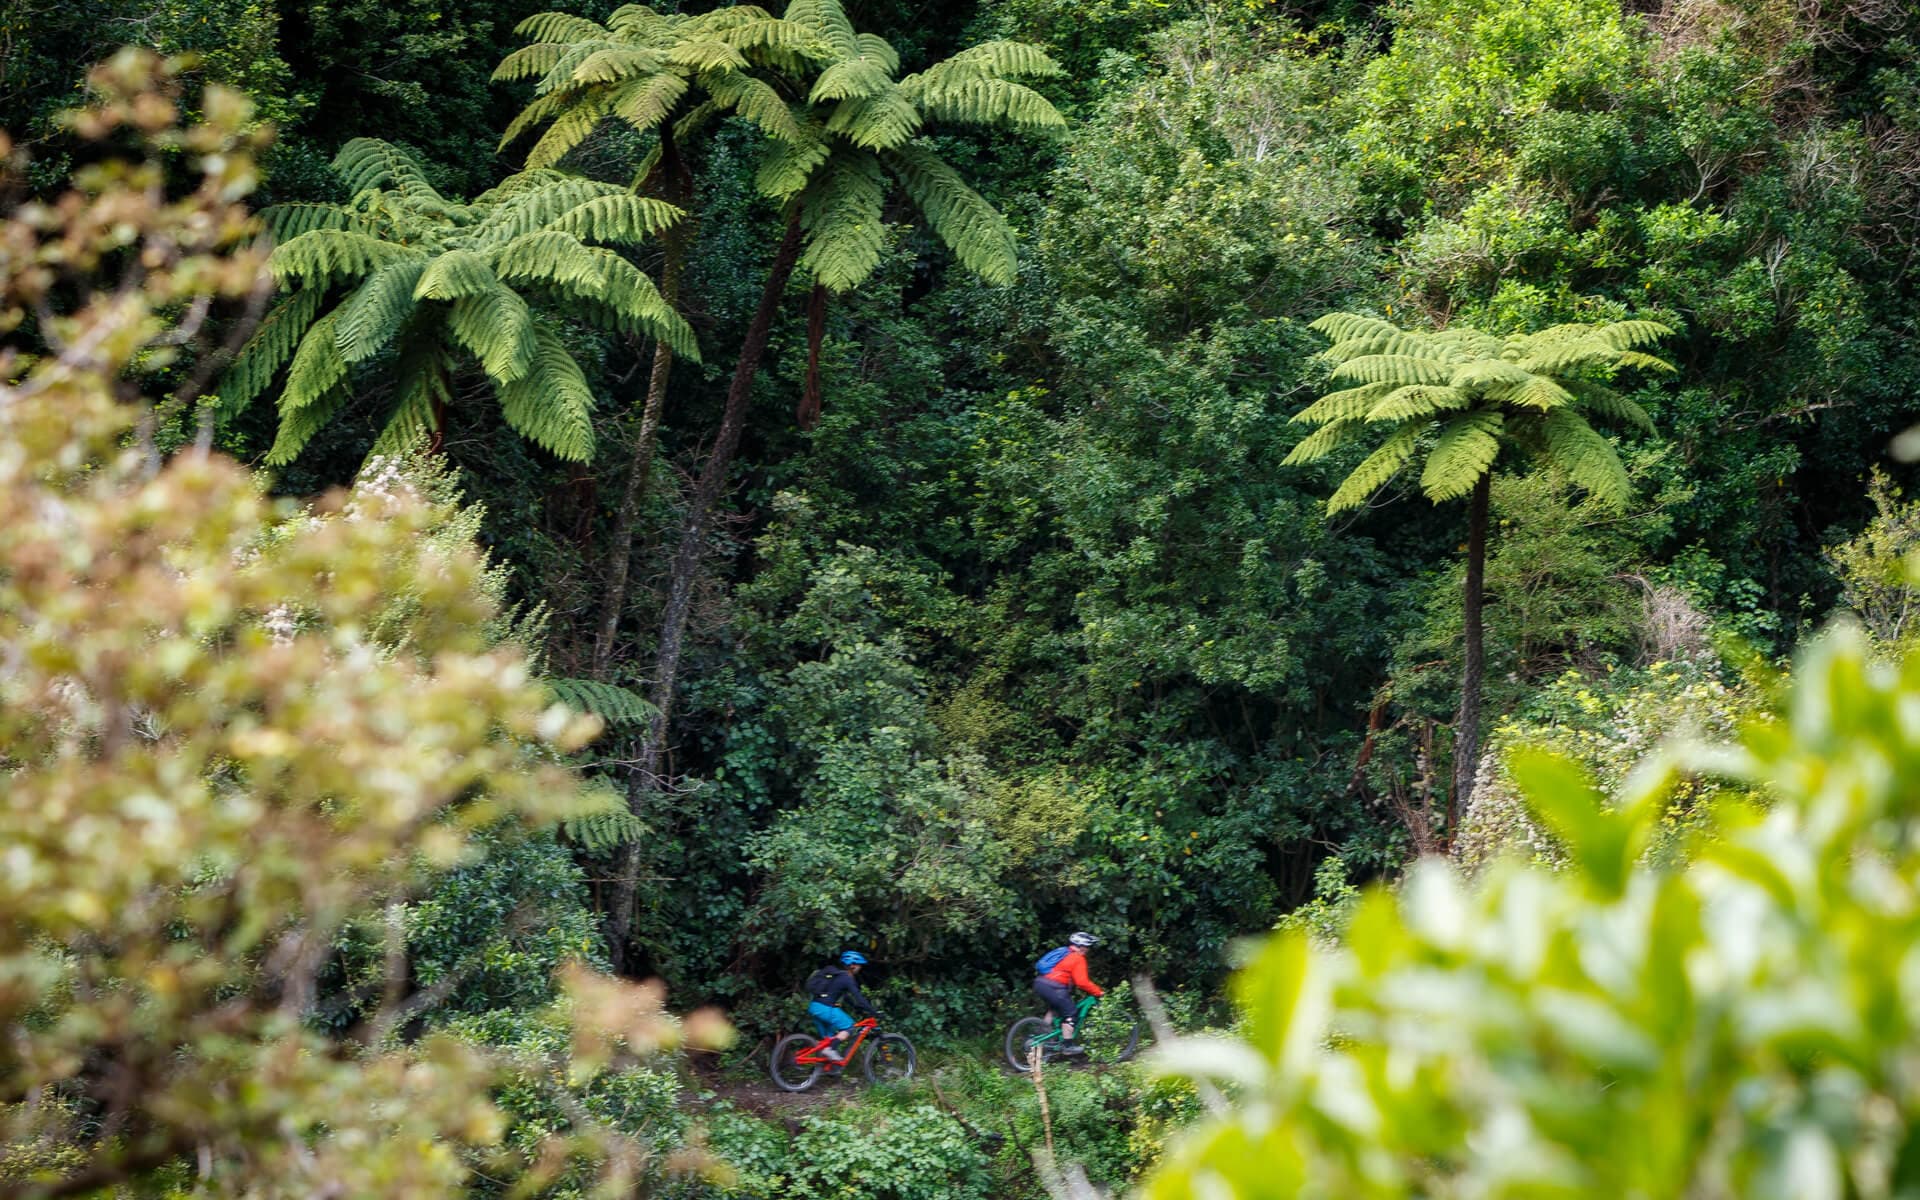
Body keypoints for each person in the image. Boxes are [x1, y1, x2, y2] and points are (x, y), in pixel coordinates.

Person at [1033, 931, 1103, 1053]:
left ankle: (1040, 1038)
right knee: (1071, 1012)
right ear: (1081, 946)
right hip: (1053, 987)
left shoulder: (1065, 952)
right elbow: (1082, 982)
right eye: (1087, 947)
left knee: (1054, 1010)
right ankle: (1067, 1046)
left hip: (1040, 983)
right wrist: (1098, 992)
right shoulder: (1077, 958)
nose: (1088, 950)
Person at [805, 950, 877, 1064]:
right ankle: (830, 1051)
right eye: (858, 965)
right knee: (849, 1027)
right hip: (826, 1009)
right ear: (852, 965)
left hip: (815, 1007)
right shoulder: (847, 978)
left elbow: (846, 997)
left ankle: (829, 1068)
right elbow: (859, 998)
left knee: (829, 1040)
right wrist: (873, 1011)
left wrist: (856, 1008)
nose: (860, 968)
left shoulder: (837, 976)